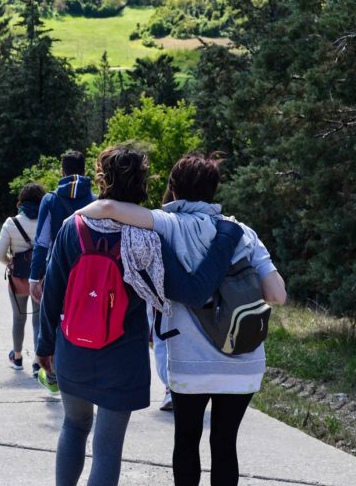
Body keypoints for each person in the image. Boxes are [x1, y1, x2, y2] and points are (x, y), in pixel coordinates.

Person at [36, 147, 244, 486]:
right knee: (107, 449)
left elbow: (52, 295)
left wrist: (45, 346)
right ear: (144, 181)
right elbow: (193, 292)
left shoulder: (72, 228)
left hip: (72, 349)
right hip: (122, 357)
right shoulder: (148, 236)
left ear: (101, 178)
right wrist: (225, 237)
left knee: (73, 427)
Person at [77, 152, 287, 486]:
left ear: (173, 189)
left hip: (190, 362)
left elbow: (108, 209)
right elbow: (277, 294)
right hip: (243, 359)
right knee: (224, 443)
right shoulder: (241, 231)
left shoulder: (166, 223)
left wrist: (71, 217)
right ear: (214, 189)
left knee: (187, 440)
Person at [29, 150, 96, 384]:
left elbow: (42, 242)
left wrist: (34, 277)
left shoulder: (51, 200)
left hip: (56, 272)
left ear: (62, 171)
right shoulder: (96, 201)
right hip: (89, 275)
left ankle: (55, 373)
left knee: (55, 320)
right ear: (85, 171)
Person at [0, 182, 46, 375]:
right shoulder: (46, 221)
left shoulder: (11, 223)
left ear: (21, 201)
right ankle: (38, 362)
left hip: (18, 279)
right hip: (41, 278)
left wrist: (10, 262)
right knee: (39, 320)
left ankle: (17, 357)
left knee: (19, 318)